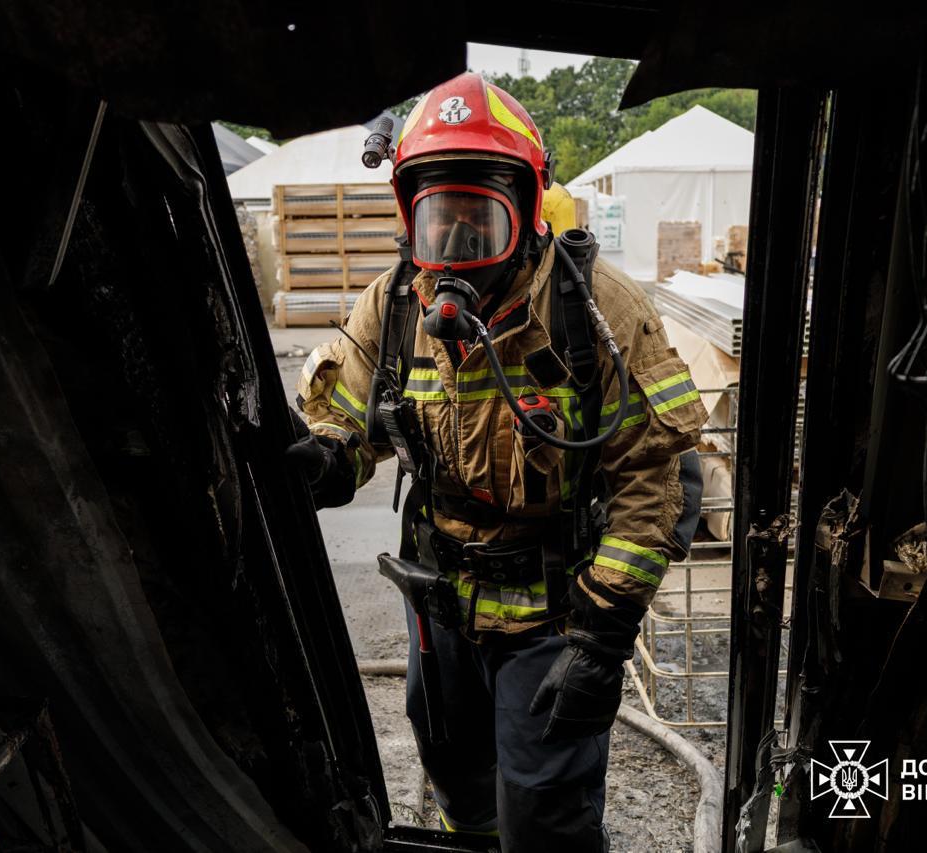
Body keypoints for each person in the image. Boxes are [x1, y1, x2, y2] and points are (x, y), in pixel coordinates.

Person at [287, 72, 706, 852]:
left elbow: (653, 481)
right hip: (440, 604)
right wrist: (325, 459)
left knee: (543, 811)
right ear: (410, 213)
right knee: (456, 776)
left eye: (479, 220)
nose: (455, 245)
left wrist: (603, 638)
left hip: (554, 617)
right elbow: (346, 422)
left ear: (527, 209)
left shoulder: (598, 311)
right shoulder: (394, 305)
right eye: (437, 218)